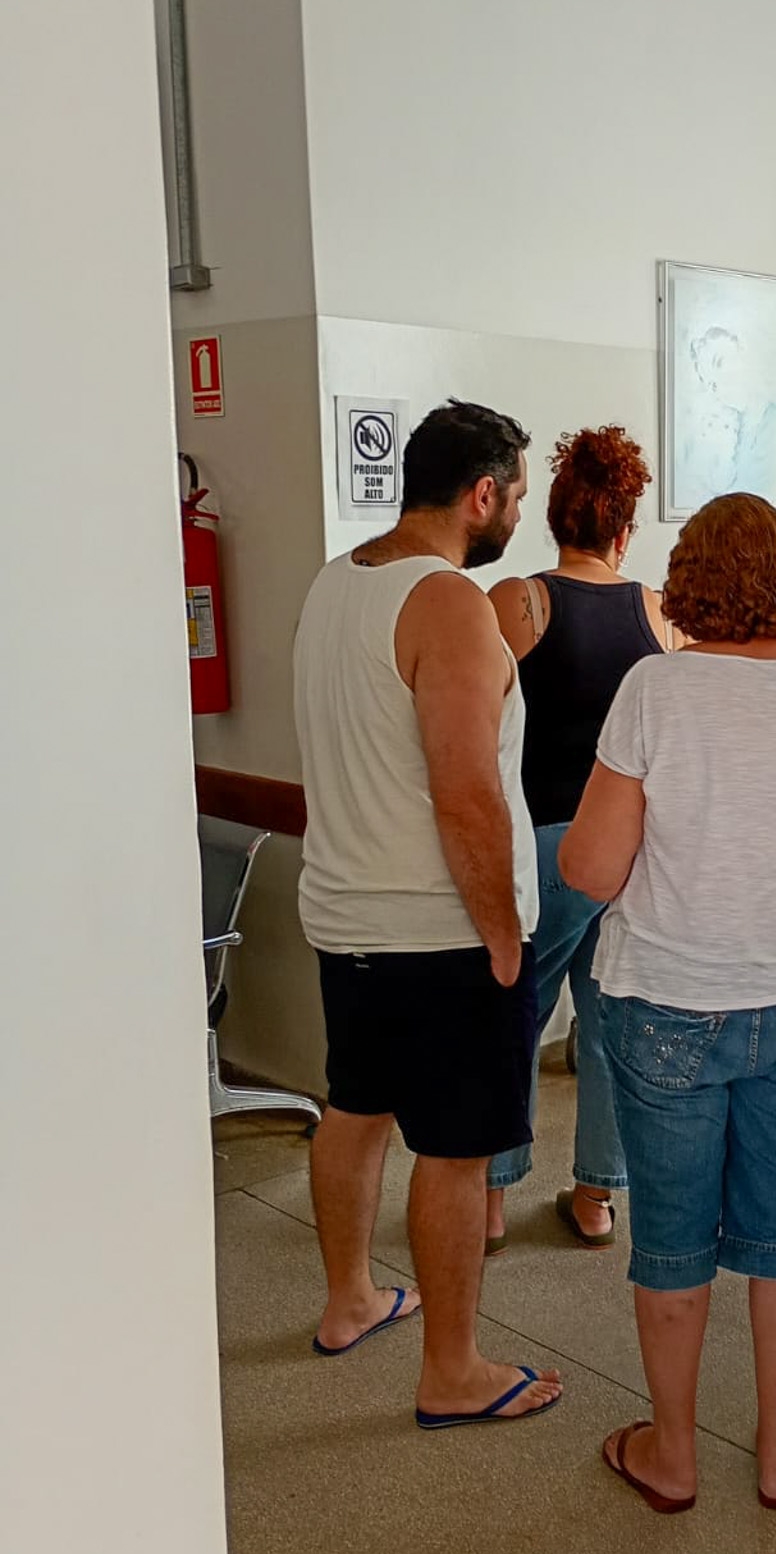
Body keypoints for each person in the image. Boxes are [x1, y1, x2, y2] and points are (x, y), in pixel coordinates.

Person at [559, 495, 776, 1512]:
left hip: (664, 1002)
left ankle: (670, 1454)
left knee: (672, 1237)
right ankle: (775, 1452)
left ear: (687, 583)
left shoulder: (656, 689)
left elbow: (590, 866)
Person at [292, 399, 561, 1429]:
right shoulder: (447, 601)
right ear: (481, 493)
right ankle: (452, 1370)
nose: (517, 518)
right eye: (516, 498)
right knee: (453, 1150)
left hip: (346, 916)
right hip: (440, 934)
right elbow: (466, 792)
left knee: (355, 1110)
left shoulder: (335, 581)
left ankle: (349, 1299)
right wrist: (501, 936)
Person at [485, 426, 671, 1249]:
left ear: (553, 517)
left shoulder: (517, 603)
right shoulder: (658, 614)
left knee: (512, 1020)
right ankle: (596, 1198)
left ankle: (489, 1201)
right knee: (607, 1028)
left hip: (541, 848)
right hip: (626, 852)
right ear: (624, 530)